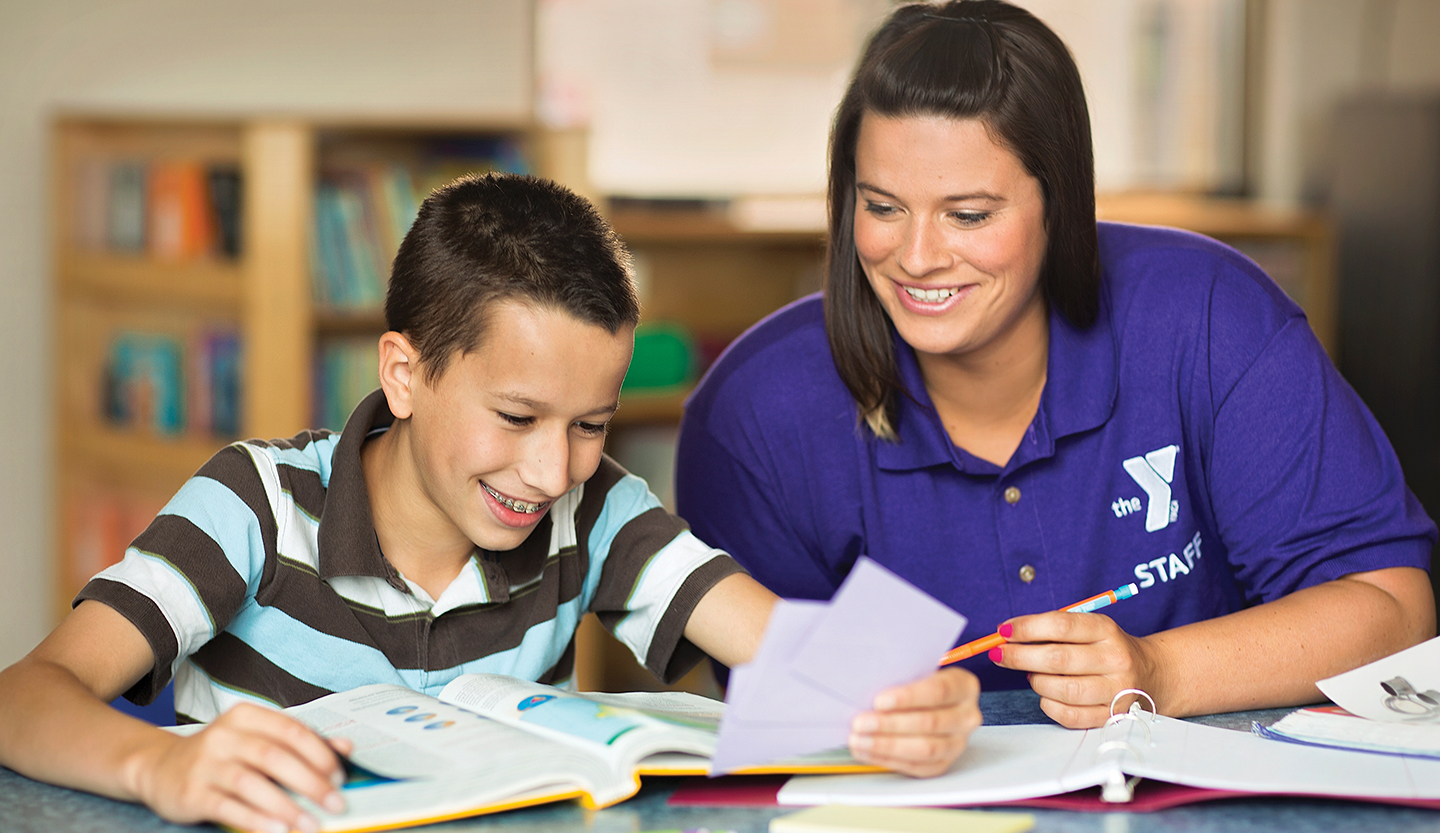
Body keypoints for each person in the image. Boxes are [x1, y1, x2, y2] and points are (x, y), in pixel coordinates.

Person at [0, 174, 980, 833]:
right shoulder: (254, 505)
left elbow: (783, 641)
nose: (552, 470)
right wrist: (160, 767)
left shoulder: (594, 512)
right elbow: (25, 697)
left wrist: (911, 696)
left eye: (590, 423)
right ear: (404, 373)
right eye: (515, 415)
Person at [675, 0, 1436, 730]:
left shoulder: (1209, 316)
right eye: (881, 207)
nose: (915, 257)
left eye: (969, 214)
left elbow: (1393, 608)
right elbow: (777, 720)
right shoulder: (754, 414)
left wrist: (1158, 671)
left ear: (1060, 204)